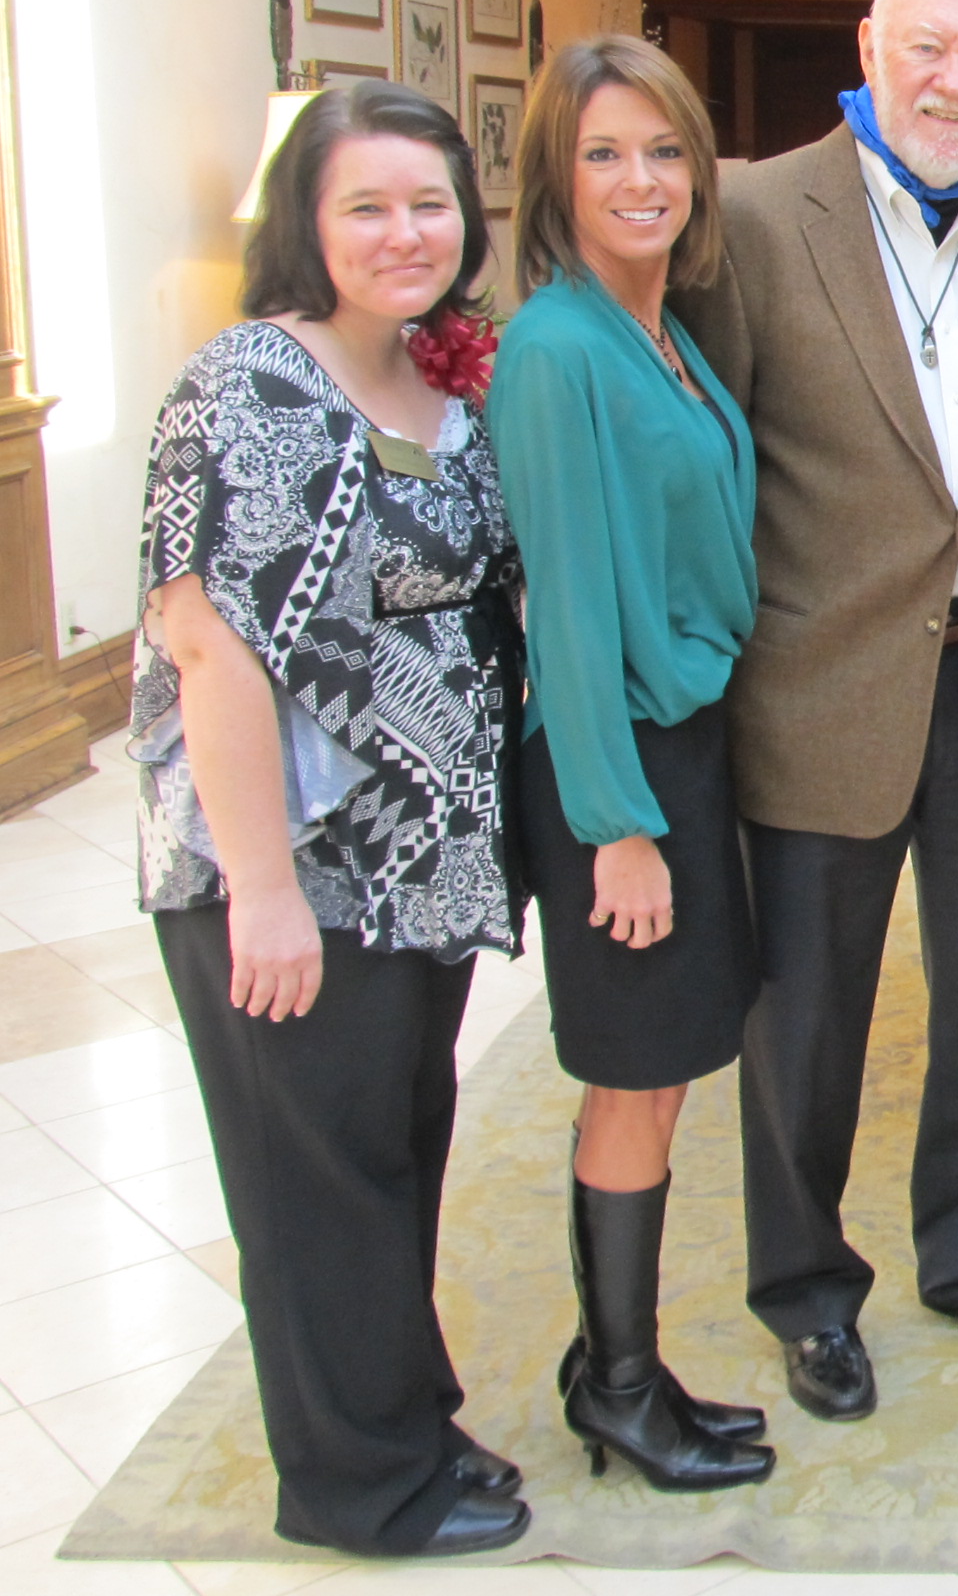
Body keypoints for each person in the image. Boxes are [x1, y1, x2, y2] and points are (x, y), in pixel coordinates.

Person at [680, 0, 958, 1422]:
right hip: (817, 683)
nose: (954, 84)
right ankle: (805, 1289)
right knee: (805, 1019)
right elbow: (714, 460)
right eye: (928, 48)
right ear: (870, 44)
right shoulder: (747, 217)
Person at [130, 81, 526, 1556]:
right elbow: (209, 642)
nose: (405, 231)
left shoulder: (424, 378)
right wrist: (263, 890)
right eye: (367, 204)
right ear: (306, 219)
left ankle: (404, 1420)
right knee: (314, 1186)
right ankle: (359, 1490)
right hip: (299, 871)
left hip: (415, 876)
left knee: (394, 1152)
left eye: (430, 202)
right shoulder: (249, 384)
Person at [487, 38, 774, 1492]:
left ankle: (626, 1361)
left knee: (662, 1076)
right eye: (604, 153)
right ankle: (615, 1390)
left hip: (684, 746)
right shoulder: (553, 351)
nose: (640, 179)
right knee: (633, 1078)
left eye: (663, 150)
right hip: (617, 763)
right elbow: (569, 610)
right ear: (555, 176)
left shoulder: (657, 329)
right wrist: (617, 825)